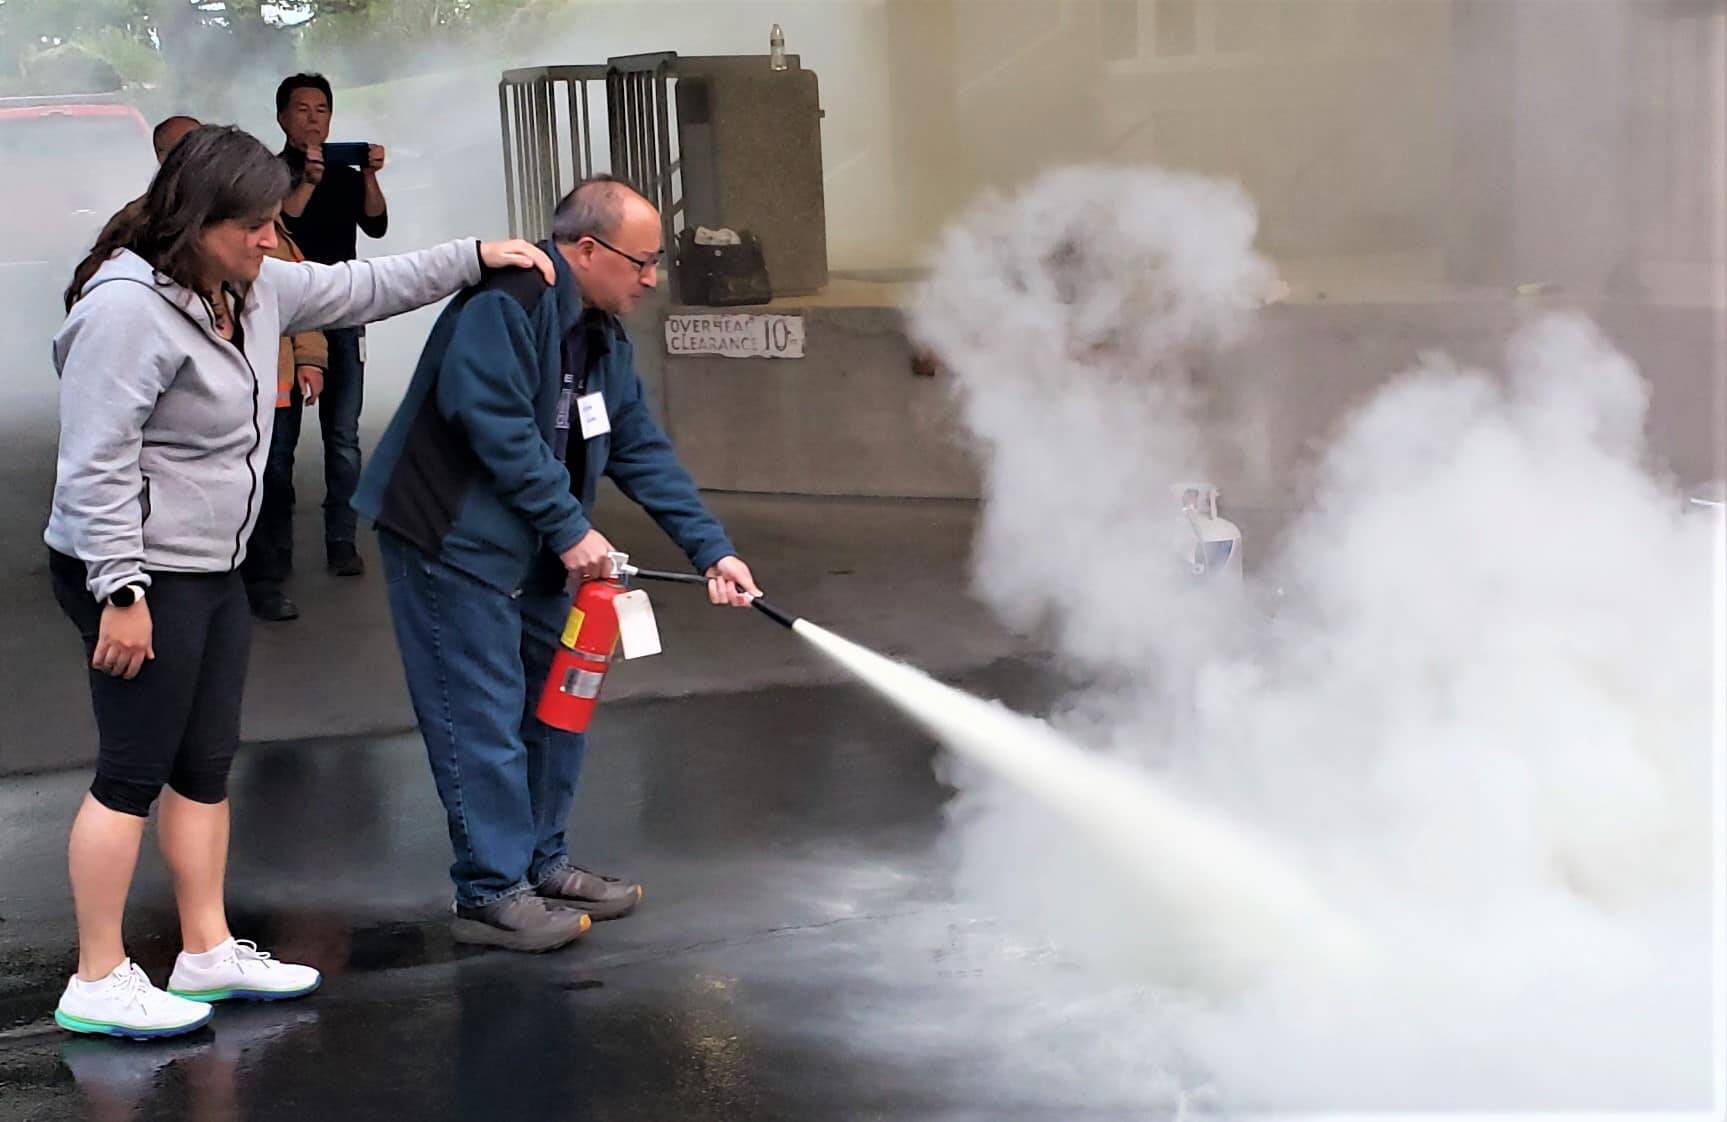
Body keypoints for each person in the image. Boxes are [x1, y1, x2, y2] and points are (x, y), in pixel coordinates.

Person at [46, 123, 555, 1038]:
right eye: (252, 226)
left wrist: (475, 255)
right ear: (197, 217)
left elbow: (362, 285)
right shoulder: (125, 309)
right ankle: (97, 973)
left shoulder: (254, 283)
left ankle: (206, 951)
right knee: (130, 773)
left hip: (208, 567)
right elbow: (93, 466)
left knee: (204, 766)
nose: (269, 241)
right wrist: (119, 592)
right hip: (133, 571)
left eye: (273, 225)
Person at [354, 176, 761, 953]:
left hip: (540, 550)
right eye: (640, 262)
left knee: (557, 707)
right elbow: (492, 424)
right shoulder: (509, 302)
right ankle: (489, 892)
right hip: (452, 544)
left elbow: (638, 448)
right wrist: (571, 528)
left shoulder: (602, 333)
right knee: (480, 719)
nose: (652, 278)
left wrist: (714, 549)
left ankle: (541, 863)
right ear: (585, 249)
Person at [275, 73, 388, 578]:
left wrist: (367, 175)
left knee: (343, 435)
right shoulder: (269, 172)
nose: (313, 119)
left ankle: (342, 539)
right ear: (282, 118)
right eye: (302, 109)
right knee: (280, 436)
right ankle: (274, 553)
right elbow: (284, 227)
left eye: (322, 109)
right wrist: (309, 179)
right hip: (288, 314)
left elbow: (377, 224)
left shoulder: (345, 170)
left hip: (343, 311)